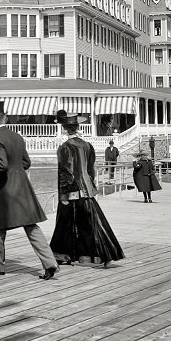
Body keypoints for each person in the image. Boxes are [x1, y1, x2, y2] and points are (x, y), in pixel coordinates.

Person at [0, 100, 58, 280]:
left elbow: (1, 165)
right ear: (6, 117)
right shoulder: (18, 137)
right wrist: (16, 170)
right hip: (23, 188)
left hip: (6, 190)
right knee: (31, 226)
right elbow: (27, 163)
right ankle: (50, 263)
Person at [49, 110, 124, 267]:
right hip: (86, 190)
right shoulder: (88, 146)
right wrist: (90, 186)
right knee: (91, 223)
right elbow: (90, 171)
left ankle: (64, 255)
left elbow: (66, 172)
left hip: (71, 192)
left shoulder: (64, 147)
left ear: (64, 128)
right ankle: (99, 255)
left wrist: (64, 196)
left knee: (65, 224)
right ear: (77, 127)